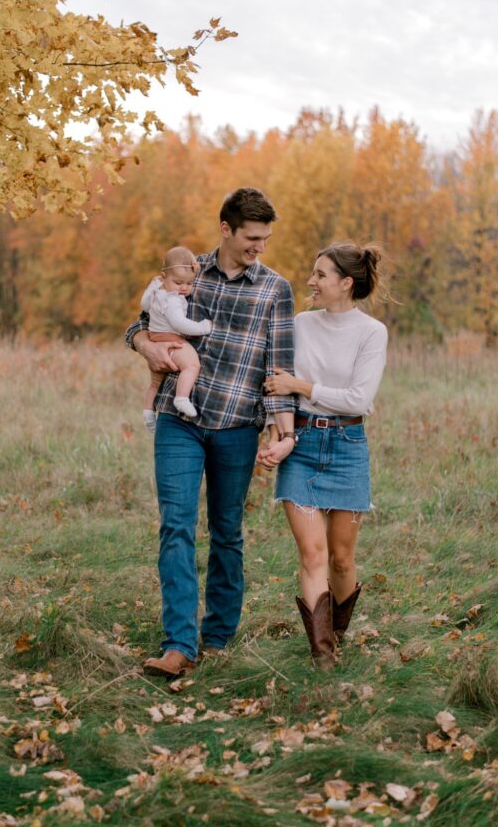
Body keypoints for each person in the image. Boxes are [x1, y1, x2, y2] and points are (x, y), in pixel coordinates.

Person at [125, 187, 295, 678]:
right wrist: (142, 345)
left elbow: (280, 364)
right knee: (175, 525)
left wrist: (280, 431)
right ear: (226, 229)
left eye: (265, 239)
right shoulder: (185, 273)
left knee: (226, 533)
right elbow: (137, 326)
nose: (259, 247)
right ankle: (179, 643)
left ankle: (217, 635)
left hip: (238, 426)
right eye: (251, 237)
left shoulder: (275, 289)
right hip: (181, 420)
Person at [258, 242, 388, 669]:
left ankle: (337, 635)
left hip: (349, 447)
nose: (311, 282)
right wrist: (280, 434)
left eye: (321, 275)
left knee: (341, 558)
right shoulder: (300, 323)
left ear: (346, 283)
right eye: (312, 273)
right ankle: (323, 656)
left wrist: (302, 386)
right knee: (312, 555)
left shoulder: (372, 332)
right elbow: (276, 386)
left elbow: (358, 399)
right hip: (302, 445)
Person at [140, 247, 212, 432]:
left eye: (189, 283)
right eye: (178, 282)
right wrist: (202, 327)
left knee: (156, 382)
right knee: (191, 365)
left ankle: (148, 413)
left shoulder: (157, 290)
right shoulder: (173, 300)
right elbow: (179, 323)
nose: (183, 287)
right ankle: (181, 398)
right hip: (171, 339)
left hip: (154, 337)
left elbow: (145, 306)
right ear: (164, 276)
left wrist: (153, 285)